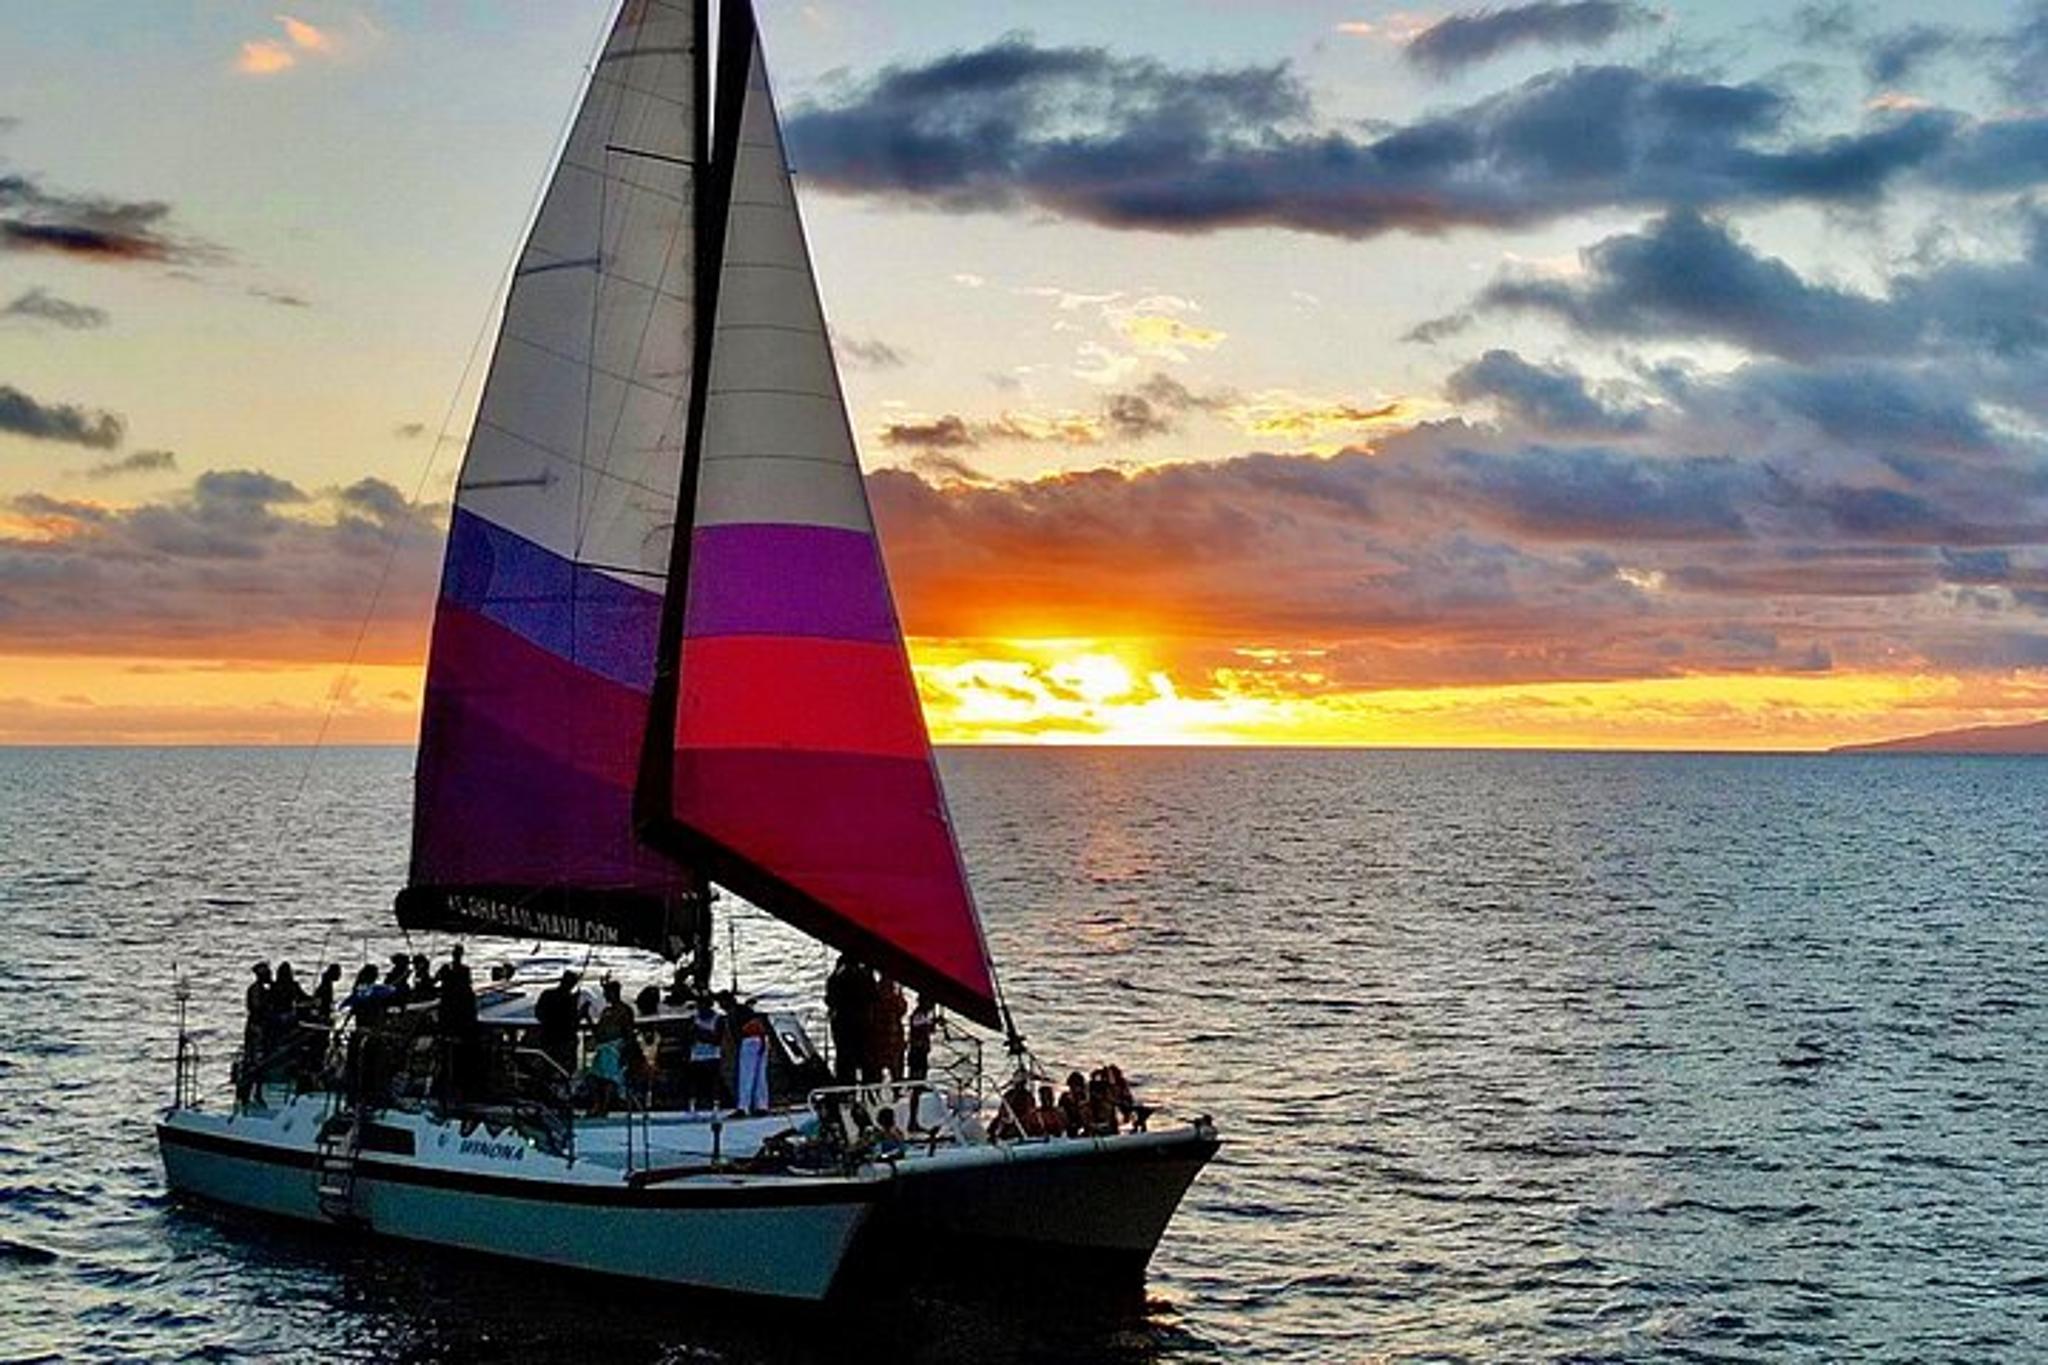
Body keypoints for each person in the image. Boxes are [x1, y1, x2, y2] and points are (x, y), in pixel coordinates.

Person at [588, 979, 637, 1116]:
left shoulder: (624, 1010)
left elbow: (629, 1033)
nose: (605, 996)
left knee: (609, 1079)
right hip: (602, 1049)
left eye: (607, 993)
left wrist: (626, 1052)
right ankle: (597, 1105)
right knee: (593, 1077)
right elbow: (598, 1032)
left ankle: (604, 1108)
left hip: (615, 1049)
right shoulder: (606, 1011)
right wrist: (587, 1017)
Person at [436, 945, 478, 1101]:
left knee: (449, 1064)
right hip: (459, 1032)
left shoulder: (449, 994)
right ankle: (457, 1093)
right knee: (457, 1065)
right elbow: (470, 1014)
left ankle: (450, 1091)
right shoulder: (463, 994)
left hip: (450, 1030)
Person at [825, 955, 873, 1085]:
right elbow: (873, 995)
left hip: (843, 1023)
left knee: (844, 1057)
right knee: (865, 1056)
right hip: (862, 1022)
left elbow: (830, 999)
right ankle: (868, 1085)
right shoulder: (864, 976)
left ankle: (846, 1086)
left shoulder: (836, 978)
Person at [533, 970, 583, 1082]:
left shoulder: (547, 994)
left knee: (547, 1069)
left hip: (547, 1038)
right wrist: (580, 1010)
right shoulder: (570, 1000)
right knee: (564, 1071)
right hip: (564, 1041)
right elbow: (573, 1022)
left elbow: (538, 1013)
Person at [238, 961, 273, 1104]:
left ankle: (257, 1092)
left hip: (259, 1029)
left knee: (259, 1064)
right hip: (255, 1029)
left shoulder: (264, 990)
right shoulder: (255, 990)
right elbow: (257, 1009)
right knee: (253, 1063)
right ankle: (247, 1094)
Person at [686, 995, 725, 1114]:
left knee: (714, 1082)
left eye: (702, 1006)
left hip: (713, 1056)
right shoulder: (694, 1018)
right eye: (698, 1007)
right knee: (694, 1082)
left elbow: (717, 1040)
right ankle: (692, 1105)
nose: (700, 1010)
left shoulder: (718, 1019)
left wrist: (701, 1034)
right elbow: (689, 1037)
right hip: (696, 1056)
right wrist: (702, 1035)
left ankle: (715, 1104)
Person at [733, 998, 772, 1116]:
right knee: (760, 1075)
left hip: (750, 1039)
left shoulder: (737, 1012)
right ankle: (761, 1105)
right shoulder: (749, 1013)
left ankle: (743, 1107)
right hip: (762, 1038)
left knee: (746, 1074)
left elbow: (737, 1031)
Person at [870, 976, 907, 1082]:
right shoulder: (892, 997)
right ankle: (896, 1086)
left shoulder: (875, 995)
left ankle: (878, 1087)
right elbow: (902, 1008)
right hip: (891, 1036)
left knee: (879, 1067)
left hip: (880, 1037)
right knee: (895, 1067)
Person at [905, 993, 936, 1082]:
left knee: (923, 1066)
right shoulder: (918, 1014)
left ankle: (920, 1083)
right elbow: (919, 1026)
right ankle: (915, 1085)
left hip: (923, 1045)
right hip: (917, 1045)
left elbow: (930, 1030)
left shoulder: (926, 1014)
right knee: (916, 1066)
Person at [1058, 1071, 1089, 1138]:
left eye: (1077, 1085)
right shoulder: (1065, 1098)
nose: (1075, 1088)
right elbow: (1061, 1112)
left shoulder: (1085, 1098)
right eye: (1072, 1086)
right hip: (1070, 1126)